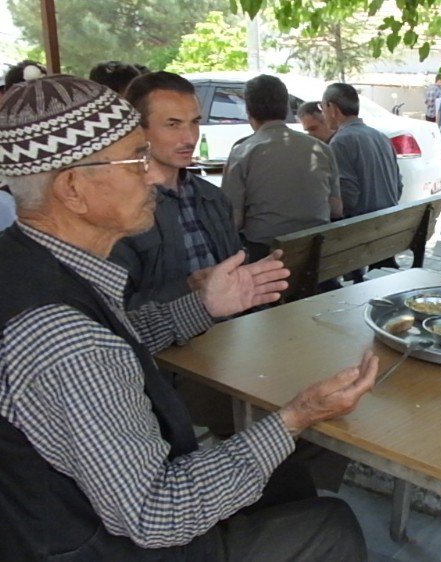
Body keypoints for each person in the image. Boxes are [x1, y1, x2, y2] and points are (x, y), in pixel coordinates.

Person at [0, 75, 377, 561]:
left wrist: (202, 305)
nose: (154, 176)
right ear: (72, 188)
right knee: (331, 524)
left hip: (57, 515)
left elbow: (118, 338)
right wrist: (295, 416)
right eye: (136, 160)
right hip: (102, 543)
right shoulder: (67, 342)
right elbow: (157, 515)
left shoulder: (25, 262)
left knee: (283, 476)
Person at [111, 71, 242, 309]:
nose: (190, 137)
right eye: (173, 125)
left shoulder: (213, 198)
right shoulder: (119, 209)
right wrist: (189, 288)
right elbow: (113, 310)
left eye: (195, 122)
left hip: (227, 334)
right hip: (162, 343)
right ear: (138, 130)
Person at [222, 75, 342, 260]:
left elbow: (233, 221)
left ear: (248, 110)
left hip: (266, 255)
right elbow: (336, 210)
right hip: (317, 254)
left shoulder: (242, 152)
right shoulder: (321, 149)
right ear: (286, 107)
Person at [322, 82, 403, 217]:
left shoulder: (340, 142)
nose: (322, 113)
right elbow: (398, 188)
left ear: (332, 108)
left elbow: (347, 197)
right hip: (389, 222)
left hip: (362, 228)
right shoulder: (381, 137)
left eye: (322, 106)